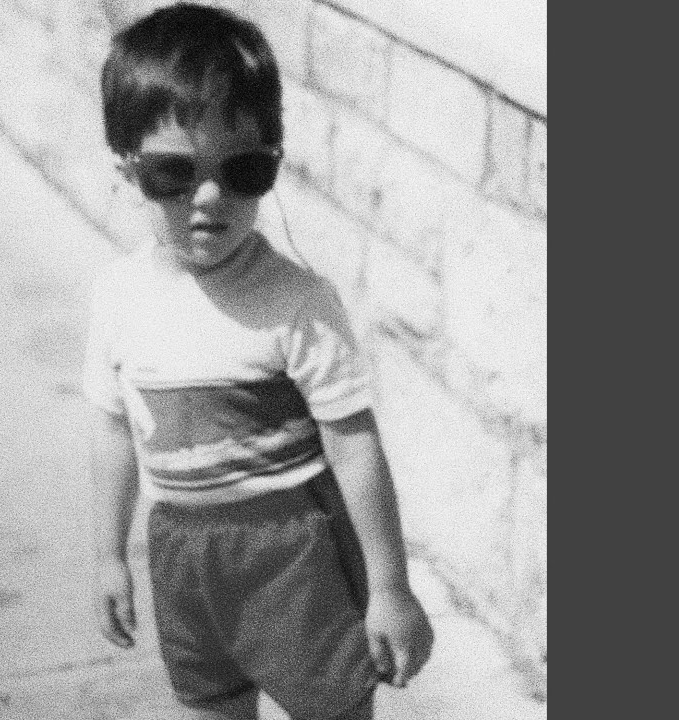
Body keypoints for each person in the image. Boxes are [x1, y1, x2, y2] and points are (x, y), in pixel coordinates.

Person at [83, 4, 434, 719]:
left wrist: (390, 587)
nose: (210, 197)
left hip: (295, 555)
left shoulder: (296, 302)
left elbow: (355, 447)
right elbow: (114, 432)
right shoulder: (118, 296)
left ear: (273, 161)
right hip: (182, 553)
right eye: (174, 173)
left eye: (242, 169)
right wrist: (109, 556)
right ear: (127, 167)